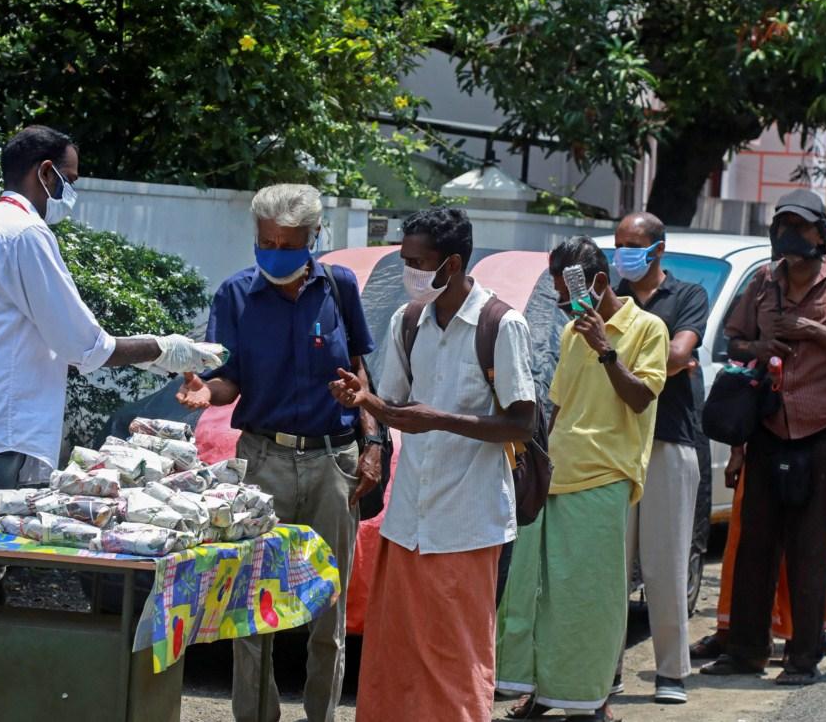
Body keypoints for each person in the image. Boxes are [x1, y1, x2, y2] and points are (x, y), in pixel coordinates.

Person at [0, 125, 219, 612]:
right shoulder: (25, 234)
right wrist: (167, 349)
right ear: (44, 173)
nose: (71, 194)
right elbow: (85, 345)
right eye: (69, 180)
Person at [177, 183, 382, 722]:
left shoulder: (339, 287)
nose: (275, 251)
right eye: (266, 241)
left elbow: (361, 371)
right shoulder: (235, 295)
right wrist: (207, 392)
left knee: (328, 612)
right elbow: (227, 380)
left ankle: (321, 715)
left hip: (332, 463)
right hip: (262, 462)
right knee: (250, 608)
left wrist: (373, 440)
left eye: (288, 243)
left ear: (314, 238)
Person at [328, 208, 536, 722]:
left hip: (468, 523)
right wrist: (367, 403)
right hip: (408, 523)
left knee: (455, 662)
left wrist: (441, 419)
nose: (409, 272)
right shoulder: (408, 320)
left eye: (418, 262)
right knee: (394, 656)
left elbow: (521, 423)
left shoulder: (501, 324)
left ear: (454, 263)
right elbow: (397, 406)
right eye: (405, 260)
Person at [705, 189, 826, 685]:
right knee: (754, 548)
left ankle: (802, 658)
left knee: (809, 551)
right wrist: (763, 345)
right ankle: (744, 652)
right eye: (782, 224)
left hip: (825, 433)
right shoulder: (764, 280)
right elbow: (733, 340)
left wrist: (812, 331)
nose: (789, 234)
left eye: (800, 226)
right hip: (768, 426)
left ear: (823, 235)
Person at [498, 236, 667, 721]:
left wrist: (605, 348)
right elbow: (558, 407)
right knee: (537, 593)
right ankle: (544, 691)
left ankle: (589, 700)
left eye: (567, 290)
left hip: (604, 477)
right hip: (556, 476)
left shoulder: (647, 328)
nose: (562, 301)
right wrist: (533, 463)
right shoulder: (573, 331)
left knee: (590, 597)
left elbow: (640, 399)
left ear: (595, 283)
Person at [609, 212, 708, 704]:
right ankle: (603, 671)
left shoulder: (688, 296)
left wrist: (621, 363)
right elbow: (666, 361)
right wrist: (661, 362)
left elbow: (678, 354)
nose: (623, 252)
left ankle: (671, 672)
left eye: (633, 244)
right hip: (613, 442)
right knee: (609, 564)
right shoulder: (611, 295)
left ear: (658, 249)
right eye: (618, 242)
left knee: (665, 563)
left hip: (669, 439)